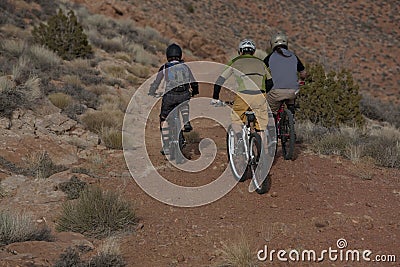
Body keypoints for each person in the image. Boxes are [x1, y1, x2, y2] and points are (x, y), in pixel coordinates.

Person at [212, 39, 272, 135]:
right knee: (261, 128)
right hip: (260, 96)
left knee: (236, 120)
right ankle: (263, 147)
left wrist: (215, 98)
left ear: (240, 51)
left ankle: (239, 143)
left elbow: (220, 81)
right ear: (253, 51)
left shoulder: (235, 61)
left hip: (244, 95)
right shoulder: (261, 62)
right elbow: (270, 82)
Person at [148, 43, 199, 155]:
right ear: (180, 55)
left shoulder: (165, 67)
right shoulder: (185, 67)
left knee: (164, 118)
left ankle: (166, 145)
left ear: (167, 55)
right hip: (184, 95)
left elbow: (157, 82)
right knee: (185, 102)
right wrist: (195, 91)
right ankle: (186, 121)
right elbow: (193, 82)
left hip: (169, 97)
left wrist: (152, 91)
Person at [263, 32, 306, 116]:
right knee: (291, 99)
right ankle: (291, 113)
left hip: (276, 92)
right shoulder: (293, 56)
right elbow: (303, 72)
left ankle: (272, 124)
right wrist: (301, 80)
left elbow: (261, 69)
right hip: (293, 91)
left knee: (269, 112)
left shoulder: (270, 57)